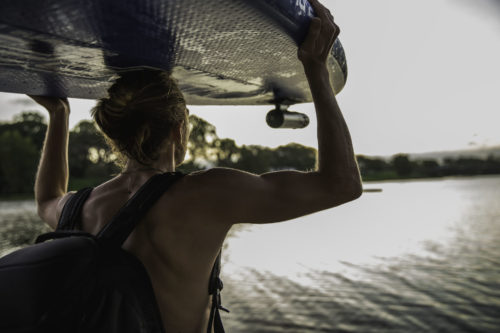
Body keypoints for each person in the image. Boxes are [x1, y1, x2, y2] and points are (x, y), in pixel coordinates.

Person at [30, 0, 362, 331]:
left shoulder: (77, 207)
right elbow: (341, 184)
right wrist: (315, 70)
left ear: (113, 136)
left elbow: (47, 197)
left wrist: (59, 114)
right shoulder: (206, 194)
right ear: (179, 129)